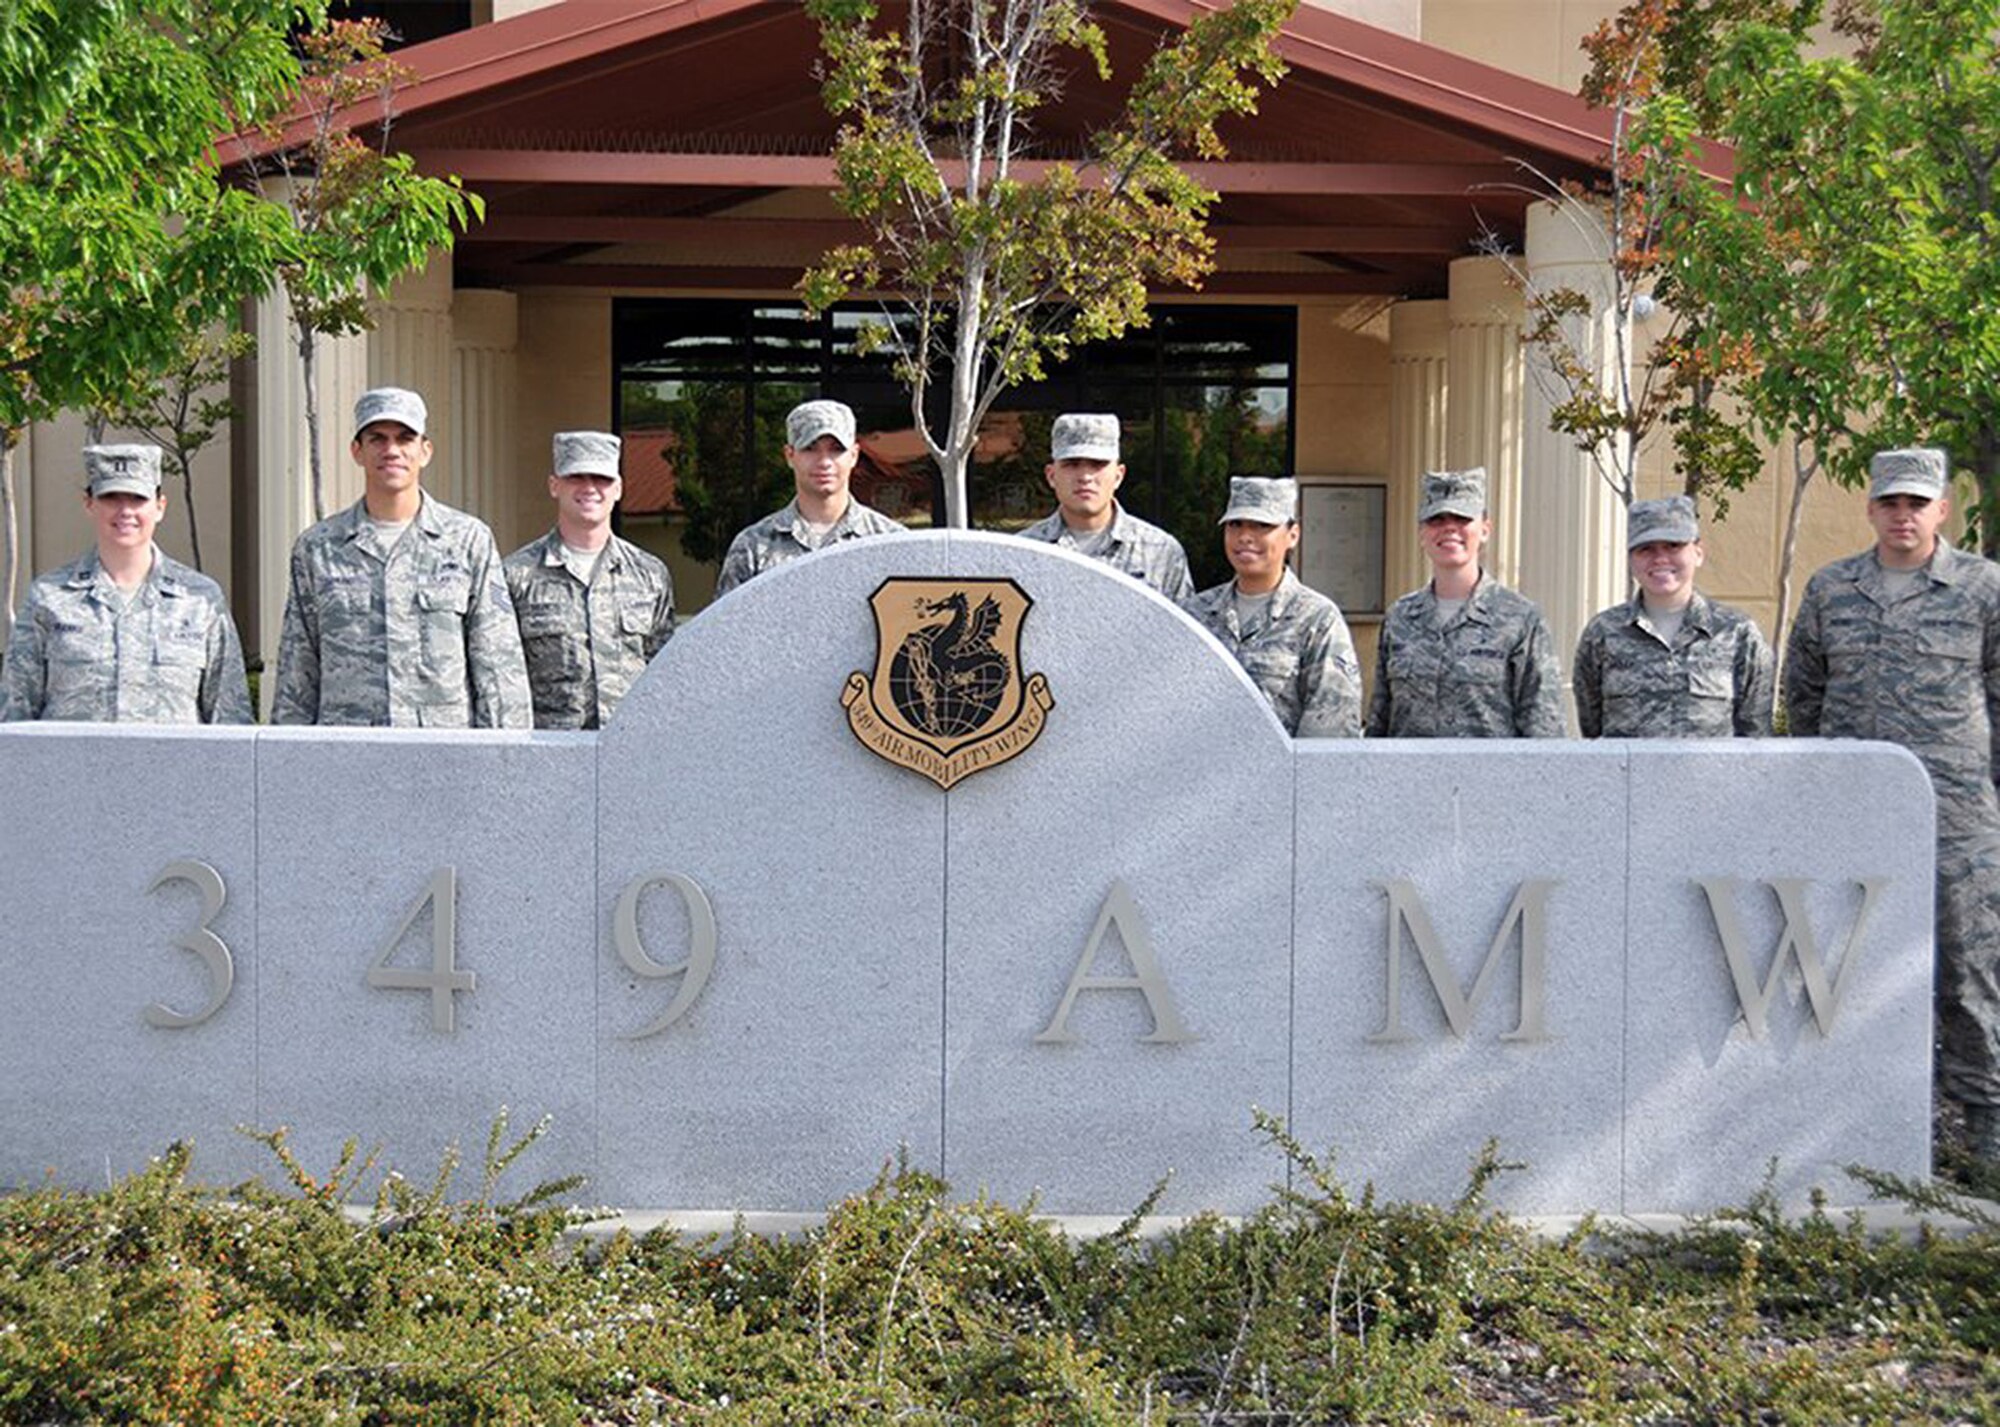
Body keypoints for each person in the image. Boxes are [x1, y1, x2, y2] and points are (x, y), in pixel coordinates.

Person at [1786, 446, 2000, 1162]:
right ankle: (1848, 1123)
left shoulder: (1981, 589)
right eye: (1890, 502)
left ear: (1942, 508)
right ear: (1871, 507)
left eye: (1917, 502)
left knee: (1969, 967)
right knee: (1848, 967)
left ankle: (1983, 1129)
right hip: (1855, 820)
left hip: (1959, 819)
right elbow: (1805, 695)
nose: (1903, 515)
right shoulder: (1832, 589)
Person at [272, 387, 531, 728]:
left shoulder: (467, 541)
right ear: (357, 451)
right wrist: (288, 762)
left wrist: (505, 761)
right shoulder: (318, 548)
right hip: (347, 756)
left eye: (405, 439)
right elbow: (298, 669)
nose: (391, 450)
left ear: (425, 451)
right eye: (377, 439)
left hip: (442, 755)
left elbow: (497, 665)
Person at [1, 444, 250, 724]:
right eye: (111, 497)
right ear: (89, 503)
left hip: (178, 767)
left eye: (137, 498)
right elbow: (14, 717)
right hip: (72, 768)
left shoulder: (200, 601)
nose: (125, 511)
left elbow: (230, 718)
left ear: (159, 507)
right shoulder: (49, 598)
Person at [1366, 466, 1562, 738]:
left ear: (1484, 529)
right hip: (1411, 778)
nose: (1449, 528)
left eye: (1462, 518)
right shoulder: (1400, 617)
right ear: (1422, 533)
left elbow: (1543, 729)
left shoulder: (1521, 619)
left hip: (1489, 778)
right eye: (1436, 519)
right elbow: (1380, 720)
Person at [504, 431, 675, 729]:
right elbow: (504, 676)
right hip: (551, 751)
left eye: (602, 479)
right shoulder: (516, 576)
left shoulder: (650, 575)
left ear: (618, 488)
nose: (590, 488)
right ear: (554, 485)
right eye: (576, 477)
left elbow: (664, 672)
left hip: (628, 747)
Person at [1572, 494, 1774, 738]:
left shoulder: (1737, 633)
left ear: (1698, 552)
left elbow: (1755, 735)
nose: (1660, 558)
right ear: (1630, 559)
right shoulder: (1603, 633)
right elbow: (1592, 727)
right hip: (1629, 776)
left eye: (1673, 546)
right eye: (1646, 549)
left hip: (1714, 777)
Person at [1186, 476, 1361, 737]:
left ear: (1293, 535)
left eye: (1261, 525)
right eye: (1235, 524)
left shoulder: (1316, 619)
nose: (1245, 536)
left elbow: (1331, 727)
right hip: (1201, 773)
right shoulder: (1196, 614)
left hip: (1282, 776)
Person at [714, 399, 904, 595]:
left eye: (836, 449)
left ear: (854, 455)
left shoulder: (889, 542)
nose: (824, 462)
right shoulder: (753, 547)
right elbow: (727, 624)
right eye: (810, 448)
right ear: (789, 455)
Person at [1017, 413, 1193, 603]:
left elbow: (1182, 630)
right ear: (1051, 476)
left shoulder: (1160, 552)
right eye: (1072, 464)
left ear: (1118, 475)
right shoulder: (1025, 550)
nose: (1085, 477)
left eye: (1097, 464)